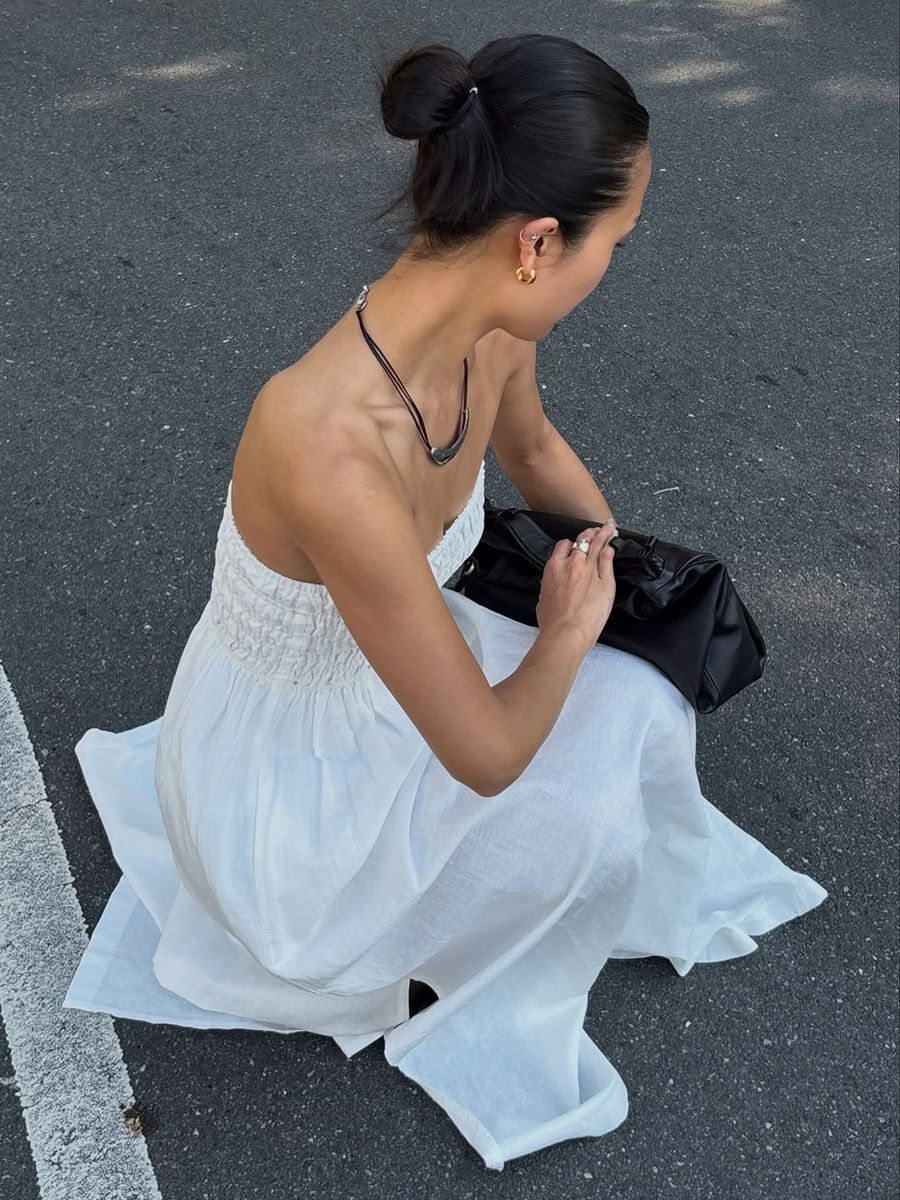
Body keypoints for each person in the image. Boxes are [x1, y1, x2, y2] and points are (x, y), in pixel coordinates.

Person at [64, 33, 829, 1171]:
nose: (616, 263)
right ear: (538, 242)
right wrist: (567, 632)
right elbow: (485, 753)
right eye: (617, 240)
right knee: (575, 806)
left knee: (639, 693)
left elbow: (535, 448)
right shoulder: (325, 446)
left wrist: (626, 578)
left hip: (406, 675)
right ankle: (412, 949)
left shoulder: (490, 325)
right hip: (294, 798)